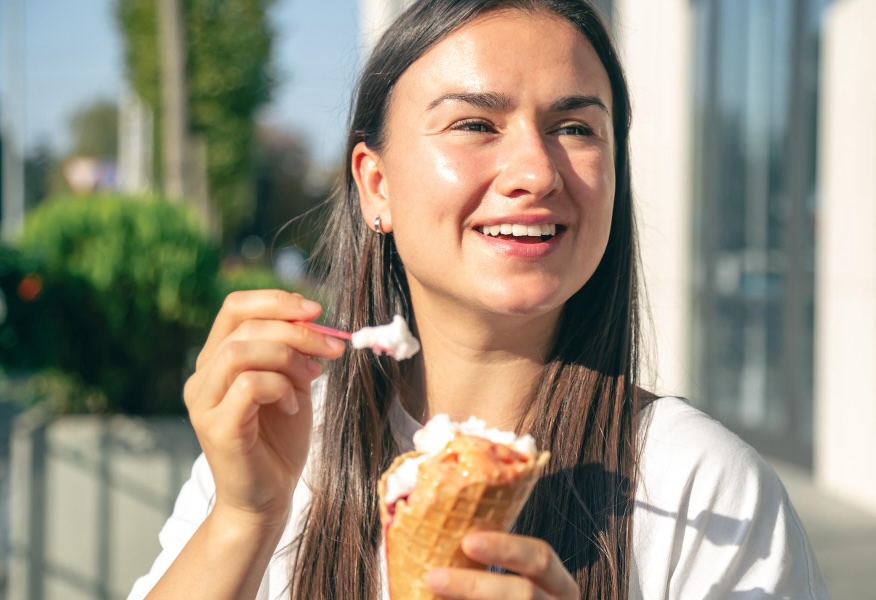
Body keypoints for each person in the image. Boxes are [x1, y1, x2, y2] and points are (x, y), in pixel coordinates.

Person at [129, 0, 829, 598]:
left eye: (575, 128)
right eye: (474, 124)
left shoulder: (704, 489)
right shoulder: (283, 450)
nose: (534, 170)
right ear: (376, 186)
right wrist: (245, 516)